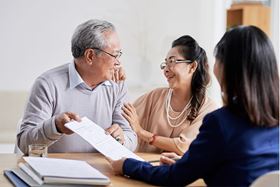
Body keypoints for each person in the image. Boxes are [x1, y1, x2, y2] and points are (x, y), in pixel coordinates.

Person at [109, 26, 279, 186]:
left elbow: (173, 178)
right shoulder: (274, 120)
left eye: (217, 59)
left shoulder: (219, 122)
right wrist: (190, 162)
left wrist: (127, 165)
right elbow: (237, 165)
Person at [17, 19, 137, 154]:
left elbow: (131, 137)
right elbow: (24, 143)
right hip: (56, 172)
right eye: (115, 55)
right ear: (90, 56)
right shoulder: (47, 84)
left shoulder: (118, 84)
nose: (118, 62)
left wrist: (122, 140)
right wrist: (55, 126)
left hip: (105, 171)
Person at [121, 35, 218, 155]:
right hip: (143, 169)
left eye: (172, 61)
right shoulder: (155, 96)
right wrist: (118, 83)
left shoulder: (208, 108)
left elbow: (183, 146)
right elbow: (123, 115)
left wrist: (142, 133)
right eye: (165, 64)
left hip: (178, 173)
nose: (166, 69)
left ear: (192, 66)